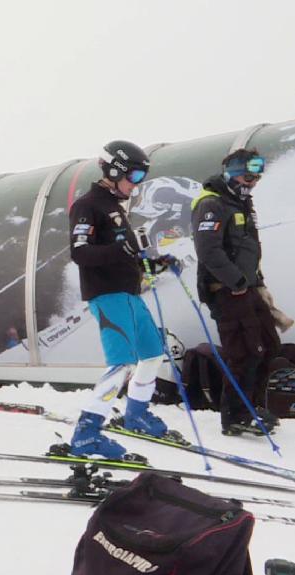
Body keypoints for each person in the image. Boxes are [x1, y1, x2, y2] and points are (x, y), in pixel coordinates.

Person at [67, 140, 176, 459]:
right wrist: (122, 250)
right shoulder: (88, 206)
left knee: (153, 352)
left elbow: (126, 255)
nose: (137, 184)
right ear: (114, 171)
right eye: (136, 176)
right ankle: (87, 434)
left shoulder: (116, 208)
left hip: (130, 294)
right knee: (121, 363)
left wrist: (153, 264)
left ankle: (136, 414)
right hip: (107, 295)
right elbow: (80, 252)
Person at [191, 149, 281, 435]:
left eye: (256, 177)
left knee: (268, 345)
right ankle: (236, 415)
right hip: (227, 291)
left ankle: (254, 406)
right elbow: (208, 251)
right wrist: (237, 282)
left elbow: (248, 251)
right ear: (231, 172)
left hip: (248, 288)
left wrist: (258, 282)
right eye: (247, 175)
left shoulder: (240, 203)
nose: (252, 182)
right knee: (244, 352)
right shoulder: (212, 203)